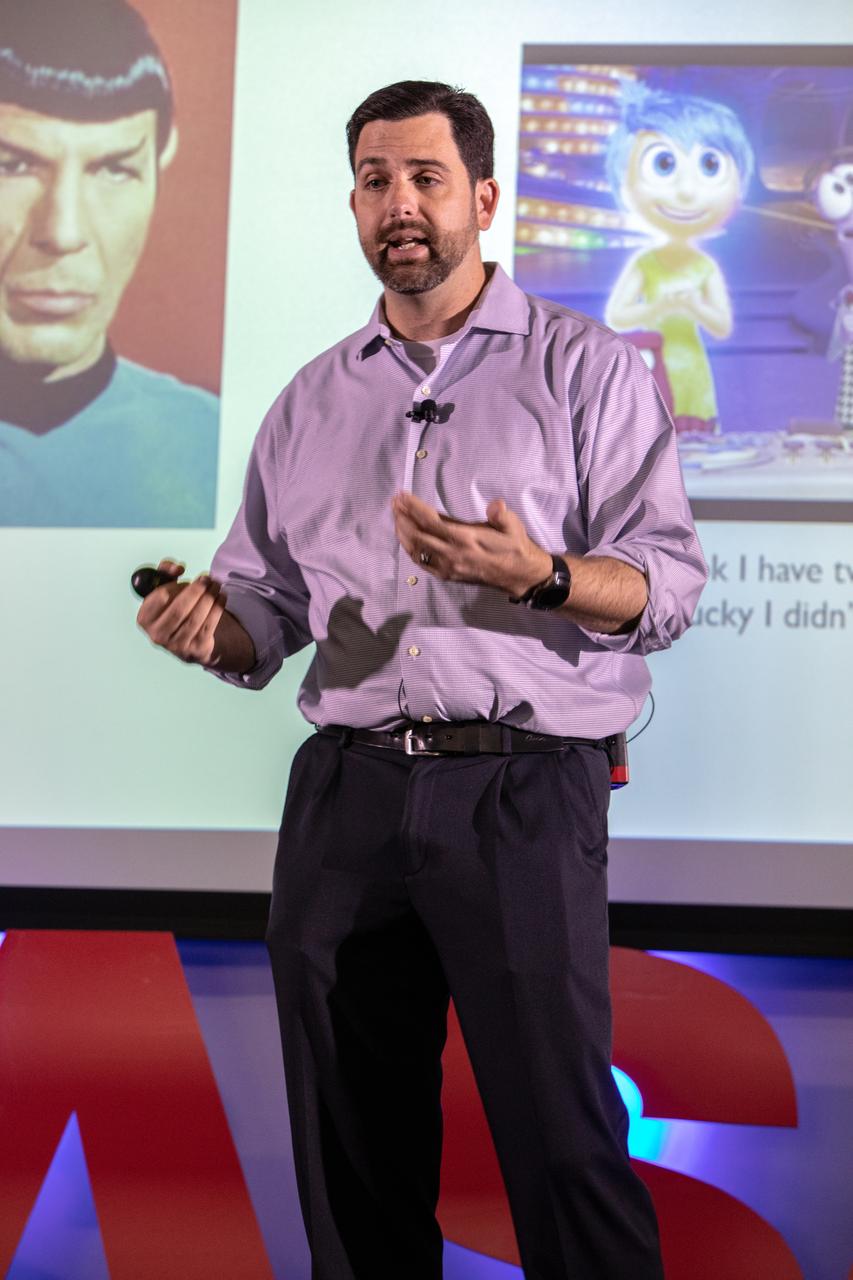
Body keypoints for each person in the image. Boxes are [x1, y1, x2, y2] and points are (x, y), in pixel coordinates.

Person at [137, 80, 707, 1279]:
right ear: (353, 202)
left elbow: (664, 587)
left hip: (519, 790)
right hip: (346, 796)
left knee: (563, 1146)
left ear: (484, 199)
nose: (399, 204)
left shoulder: (586, 368)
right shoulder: (309, 399)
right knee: (352, 1162)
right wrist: (211, 628)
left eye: (426, 178)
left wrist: (542, 574)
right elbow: (266, 608)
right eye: (374, 180)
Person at [0, 0, 218, 528]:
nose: (63, 233)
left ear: (160, 165)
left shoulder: (220, 444)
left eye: (114, 170)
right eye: (14, 165)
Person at [604, 81, 754, 435]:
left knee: (696, 438)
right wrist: (656, 309)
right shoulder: (645, 264)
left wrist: (693, 306)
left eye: (709, 165)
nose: (687, 192)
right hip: (650, 366)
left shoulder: (705, 267)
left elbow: (722, 326)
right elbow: (616, 316)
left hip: (694, 372)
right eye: (664, 163)